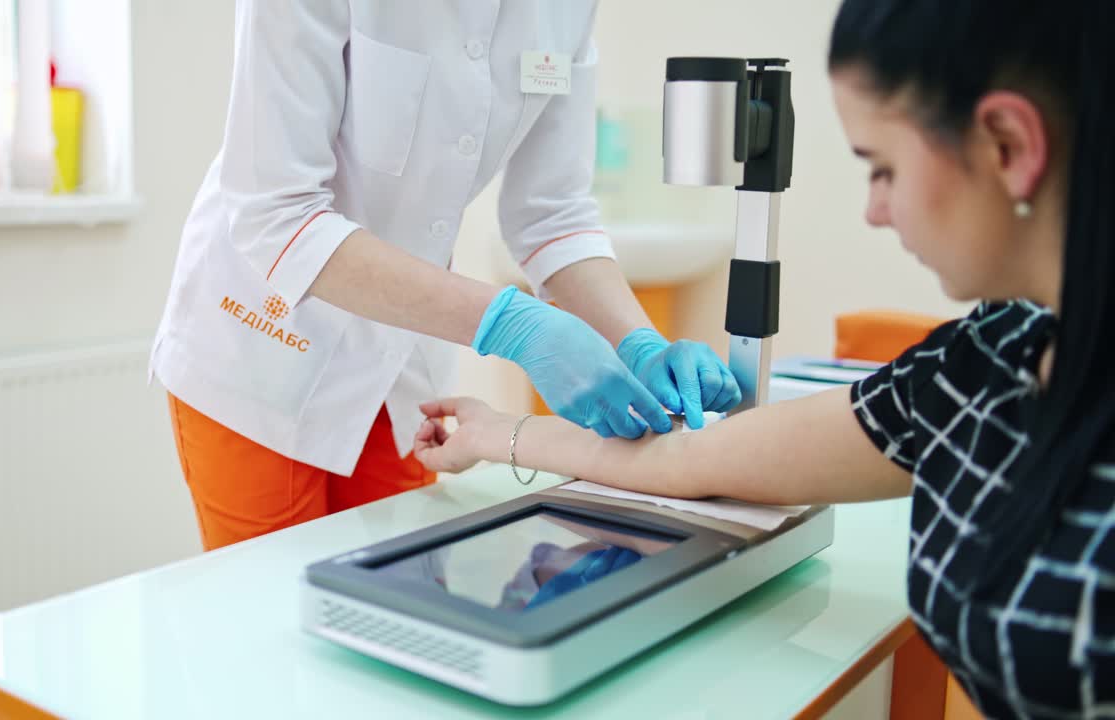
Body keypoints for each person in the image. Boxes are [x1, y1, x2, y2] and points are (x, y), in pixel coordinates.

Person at [411, 0, 1115, 716]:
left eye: (883, 169)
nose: (875, 209)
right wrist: (495, 432)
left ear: (1008, 146)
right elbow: (696, 460)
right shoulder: (980, 365)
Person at [151, 2, 741, 552]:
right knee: (273, 612)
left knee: (396, 592)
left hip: (403, 361)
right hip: (267, 337)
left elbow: (551, 213)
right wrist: (513, 325)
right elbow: (275, 211)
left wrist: (636, 342)